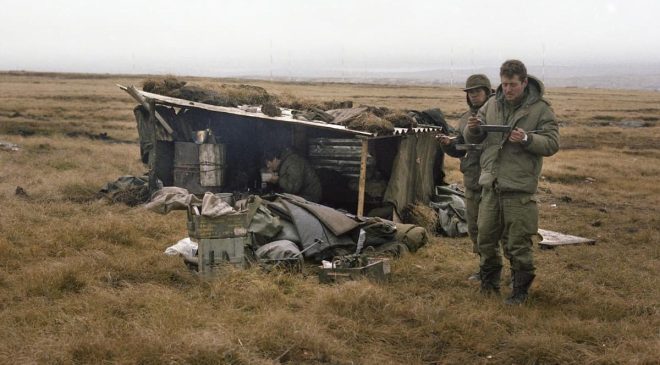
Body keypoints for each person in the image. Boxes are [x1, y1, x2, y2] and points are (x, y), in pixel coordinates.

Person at [465, 60, 559, 305]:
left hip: (519, 189)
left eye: (513, 85)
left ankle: (519, 292)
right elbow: (473, 137)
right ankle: (489, 284)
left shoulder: (540, 109)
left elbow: (551, 143)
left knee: (518, 243)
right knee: (485, 238)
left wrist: (528, 139)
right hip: (491, 185)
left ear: (524, 82)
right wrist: (473, 128)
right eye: (504, 84)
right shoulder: (491, 104)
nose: (507, 89)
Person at [437, 74, 493, 281]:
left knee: (495, 228)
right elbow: (461, 148)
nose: (474, 95)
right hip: (473, 179)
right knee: (475, 227)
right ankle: (484, 268)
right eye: (470, 92)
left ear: (488, 92)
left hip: (495, 180)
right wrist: (449, 144)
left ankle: (504, 269)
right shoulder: (464, 118)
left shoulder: (497, 115)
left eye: (478, 91)